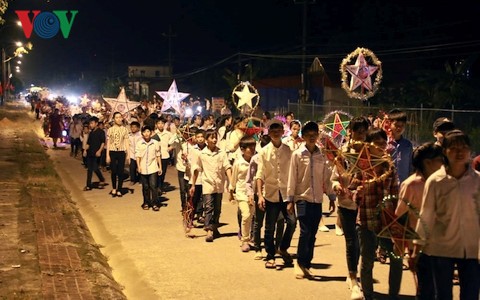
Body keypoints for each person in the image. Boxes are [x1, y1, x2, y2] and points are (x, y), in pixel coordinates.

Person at [414, 130, 480, 300]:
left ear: (470, 151)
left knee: (471, 294)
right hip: (441, 248)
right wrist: (417, 247)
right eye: (454, 148)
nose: (460, 152)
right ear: (445, 151)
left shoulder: (477, 180)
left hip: (471, 249)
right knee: (442, 294)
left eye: (464, 147)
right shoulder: (436, 181)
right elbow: (426, 214)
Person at [355, 128, 402, 300]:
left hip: (387, 219)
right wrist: (356, 192)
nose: (382, 146)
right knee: (367, 260)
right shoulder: (360, 165)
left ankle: (393, 295)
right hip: (367, 218)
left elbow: (395, 192)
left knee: (396, 259)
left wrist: (397, 218)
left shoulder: (390, 166)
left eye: (384, 143)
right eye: (377, 143)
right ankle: (368, 295)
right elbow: (352, 188)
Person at [395, 142, 444, 299]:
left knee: (441, 287)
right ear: (427, 163)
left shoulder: (443, 182)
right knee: (426, 288)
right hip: (419, 244)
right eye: (440, 160)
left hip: (444, 243)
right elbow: (399, 215)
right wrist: (400, 245)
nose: (444, 163)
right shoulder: (411, 184)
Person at [287, 121, 334, 279]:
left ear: (318, 135)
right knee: (305, 231)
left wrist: (332, 197)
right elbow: (292, 177)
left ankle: (307, 263)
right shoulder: (297, 154)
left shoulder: (322, 155)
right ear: (304, 136)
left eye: (315, 134)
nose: (312, 137)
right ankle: (299, 262)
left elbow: (326, 177)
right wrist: (290, 200)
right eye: (308, 135)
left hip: (317, 199)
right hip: (302, 198)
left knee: (313, 233)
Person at [331, 116, 369, 300]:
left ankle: (353, 273)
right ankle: (353, 278)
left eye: (363, 131)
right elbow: (334, 178)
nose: (361, 135)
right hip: (346, 203)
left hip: (365, 204)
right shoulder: (343, 153)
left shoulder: (372, 153)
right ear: (350, 132)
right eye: (357, 131)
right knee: (351, 241)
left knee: (361, 241)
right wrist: (337, 187)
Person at [256, 120, 296, 269]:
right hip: (271, 193)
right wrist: (260, 195)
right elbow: (259, 174)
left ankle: (283, 248)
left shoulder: (289, 150)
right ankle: (270, 255)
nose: (275, 132)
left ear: (282, 131)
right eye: (272, 130)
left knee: (292, 222)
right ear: (269, 132)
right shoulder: (264, 151)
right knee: (269, 227)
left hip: (286, 194)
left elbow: (293, 172)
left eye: (278, 129)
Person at [189, 129, 232, 242]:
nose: (214, 140)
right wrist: (193, 185)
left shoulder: (221, 153)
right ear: (206, 140)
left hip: (219, 185)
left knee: (217, 209)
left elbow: (227, 167)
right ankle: (209, 230)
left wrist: (231, 182)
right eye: (211, 138)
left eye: (215, 137)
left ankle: (214, 227)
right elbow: (196, 170)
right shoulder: (202, 154)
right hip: (207, 185)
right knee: (208, 207)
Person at [229, 136, 257, 252]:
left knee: (252, 216)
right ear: (242, 149)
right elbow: (234, 178)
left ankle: (253, 238)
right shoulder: (238, 163)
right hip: (242, 193)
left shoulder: (257, 160)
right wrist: (231, 192)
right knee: (245, 215)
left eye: (253, 146)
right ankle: (244, 240)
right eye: (249, 147)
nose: (252, 149)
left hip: (255, 193)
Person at [136, 125, 162, 211]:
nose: (146, 134)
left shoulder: (155, 142)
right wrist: (138, 166)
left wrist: (160, 167)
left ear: (151, 133)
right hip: (143, 168)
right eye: (144, 132)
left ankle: (155, 203)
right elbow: (138, 156)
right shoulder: (139, 143)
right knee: (145, 186)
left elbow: (158, 155)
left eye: (148, 132)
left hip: (153, 167)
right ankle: (146, 202)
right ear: (142, 133)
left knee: (153, 186)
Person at [386, 109, 413, 184]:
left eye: (402, 126)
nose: (399, 128)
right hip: (387, 184)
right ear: (389, 124)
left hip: (404, 184)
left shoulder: (408, 145)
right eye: (396, 125)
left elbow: (410, 166)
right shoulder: (385, 143)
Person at [106, 112, 130, 197]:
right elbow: (108, 142)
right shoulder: (110, 129)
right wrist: (107, 155)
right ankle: (114, 188)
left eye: (120, 117)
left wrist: (128, 155)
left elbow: (127, 142)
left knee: (120, 171)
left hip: (121, 152)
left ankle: (119, 188)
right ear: (114, 119)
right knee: (113, 171)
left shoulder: (125, 129)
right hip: (112, 151)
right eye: (116, 117)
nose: (119, 119)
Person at [83, 116, 107, 191]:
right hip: (90, 152)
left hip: (97, 153)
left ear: (96, 123)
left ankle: (101, 179)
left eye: (92, 123)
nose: (91, 125)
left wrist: (99, 151)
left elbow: (103, 142)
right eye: (90, 123)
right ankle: (88, 185)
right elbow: (88, 143)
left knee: (95, 167)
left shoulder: (101, 132)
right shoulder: (91, 133)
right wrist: (85, 150)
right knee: (89, 169)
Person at [152, 117, 173, 194]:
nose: (160, 125)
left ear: (164, 124)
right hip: (155, 156)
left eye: (162, 123)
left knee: (163, 172)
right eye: (159, 123)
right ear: (156, 124)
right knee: (156, 172)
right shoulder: (154, 133)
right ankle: (156, 187)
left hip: (164, 155)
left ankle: (160, 187)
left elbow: (175, 141)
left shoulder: (168, 133)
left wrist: (170, 147)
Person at [128, 121, 142, 185]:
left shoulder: (141, 135)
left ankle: (140, 180)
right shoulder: (129, 135)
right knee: (132, 167)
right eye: (132, 127)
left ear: (138, 128)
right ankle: (132, 180)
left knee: (140, 167)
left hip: (139, 154)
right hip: (131, 154)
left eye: (135, 127)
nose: (133, 128)